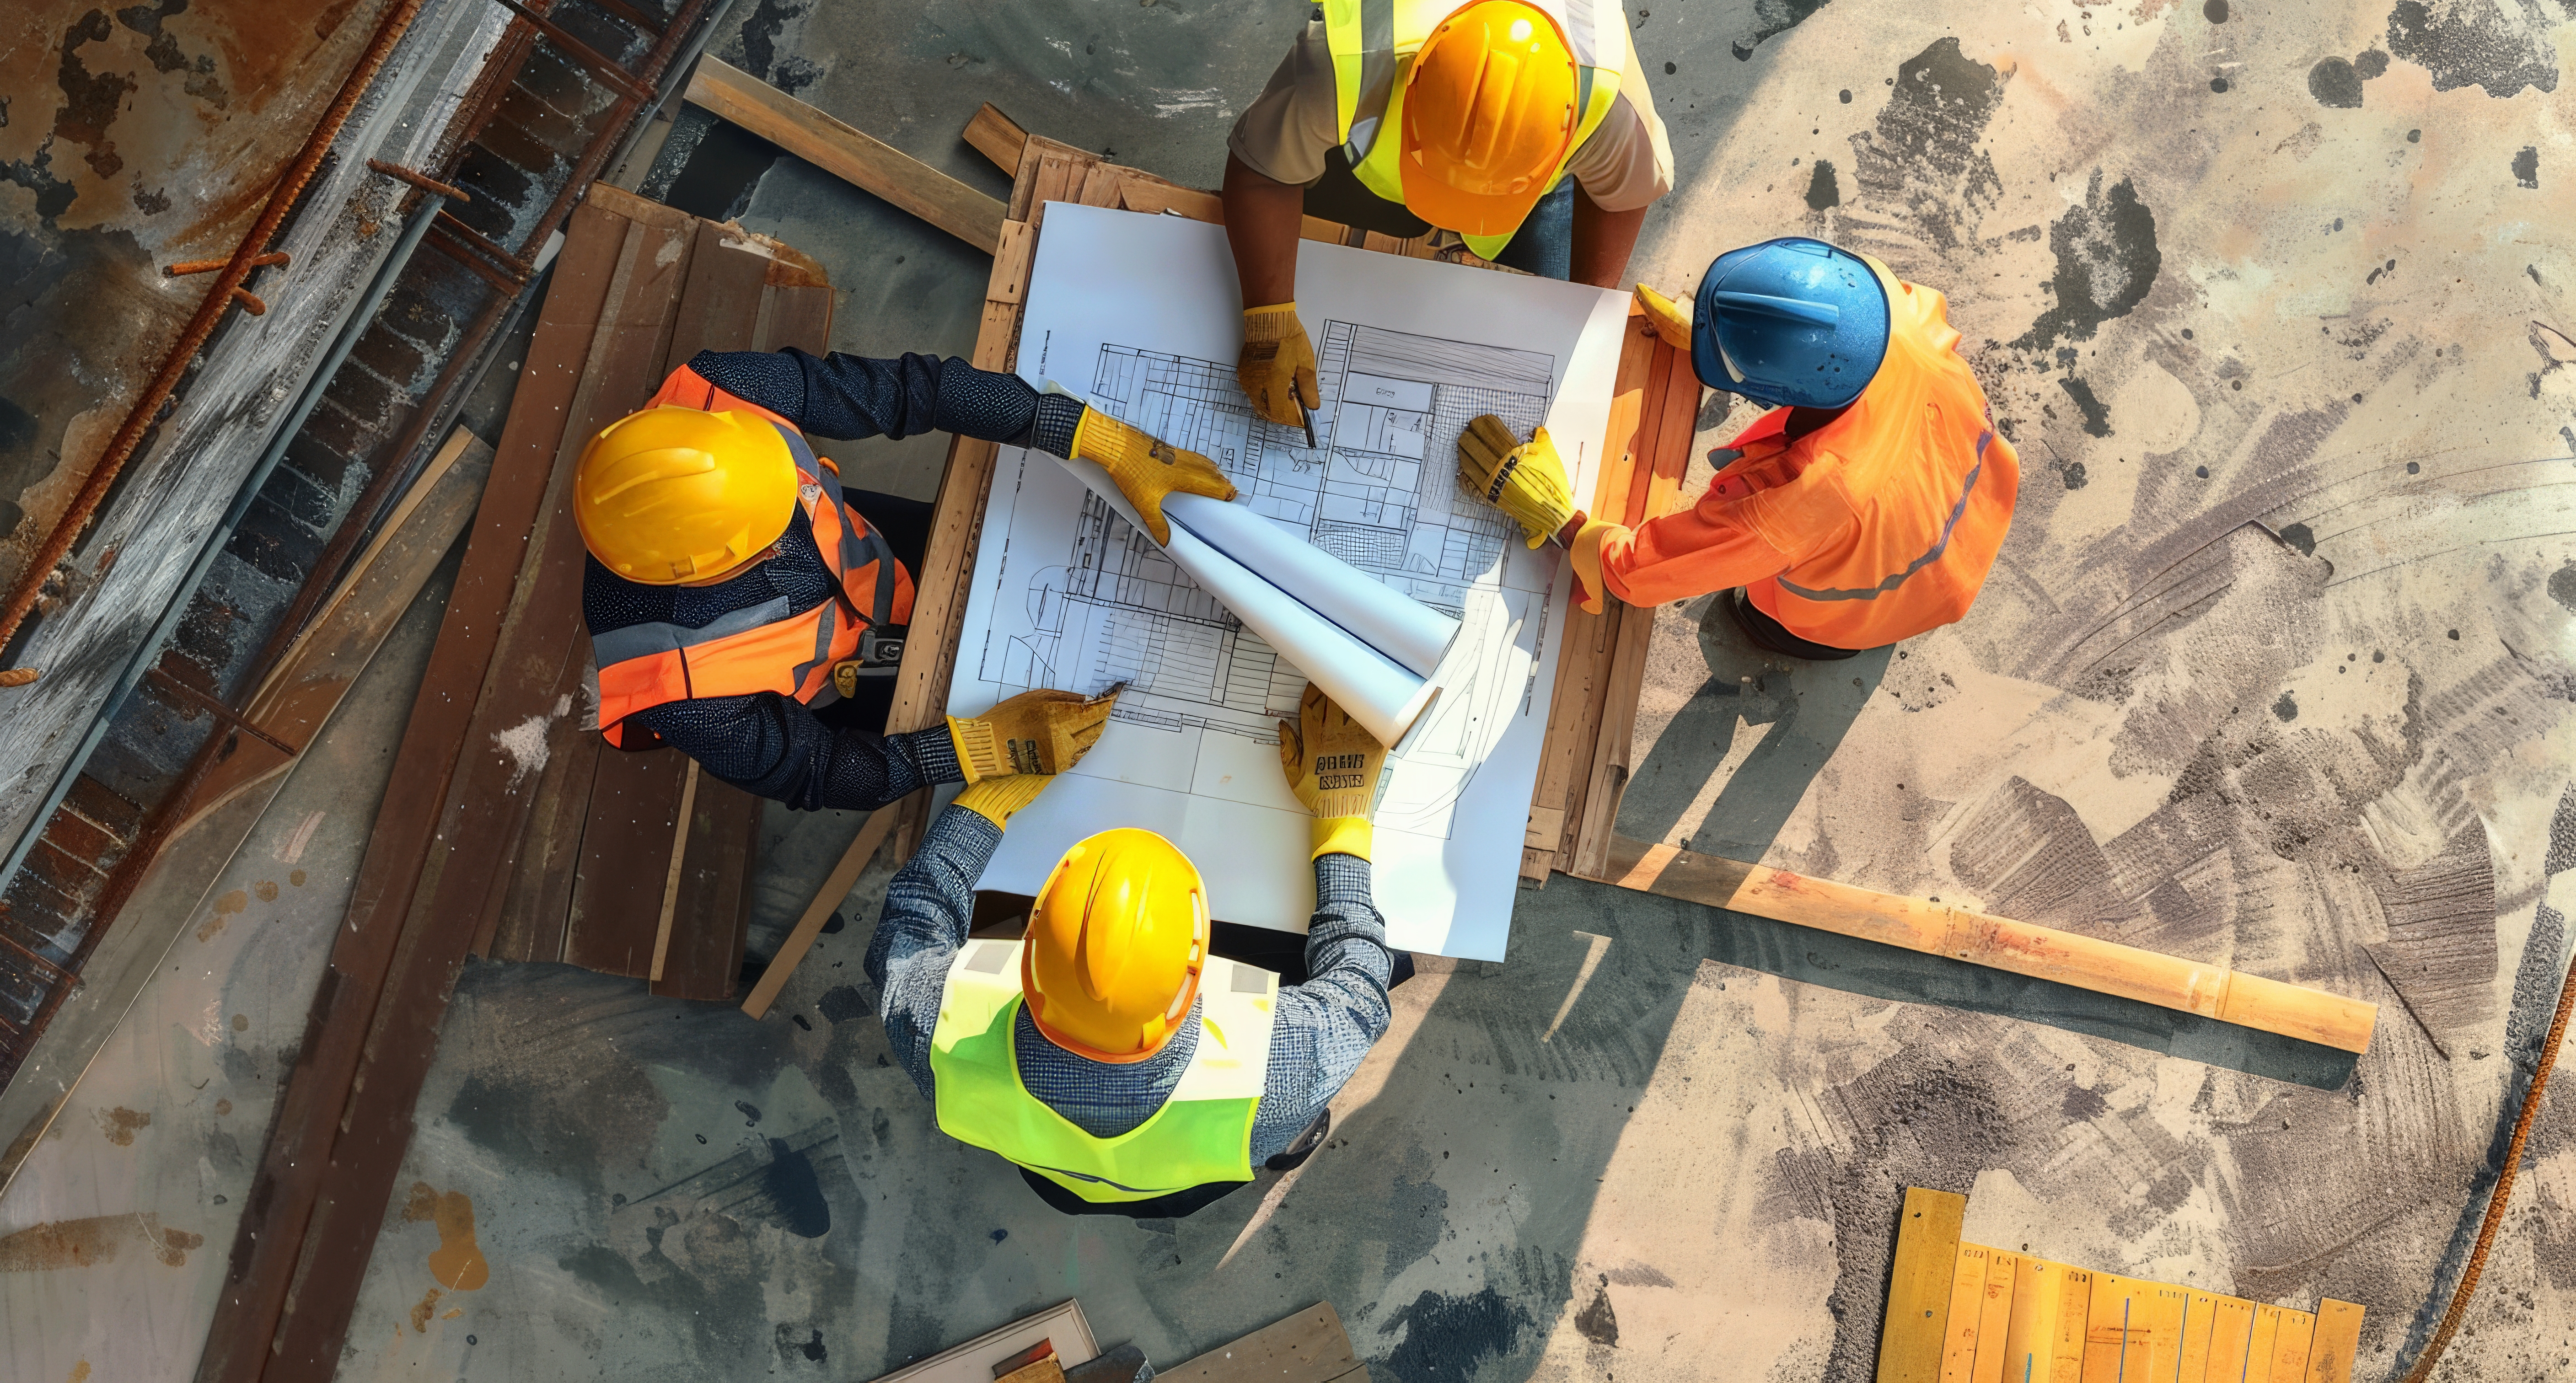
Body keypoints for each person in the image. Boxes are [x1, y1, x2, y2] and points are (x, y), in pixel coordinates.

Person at [570, 347, 1234, 809]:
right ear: (700, 575)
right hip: (859, 683)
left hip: (881, 551)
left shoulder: (723, 394)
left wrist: (1086, 435)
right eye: (771, 538)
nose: (787, 526)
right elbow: (818, 774)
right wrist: (967, 751)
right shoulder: (671, 684)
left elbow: (914, 391)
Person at [866, 684, 1400, 1217]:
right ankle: (1285, 1146)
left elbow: (909, 927)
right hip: (1190, 1179)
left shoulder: (939, 1036)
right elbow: (1359, 987)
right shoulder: (1280, 1070)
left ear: (1031, 946)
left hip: (1053, 1175)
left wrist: (987, 802)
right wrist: (1342, 822)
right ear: (1199, 971)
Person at [1458, 238, 2019, 659]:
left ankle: (1802, 639)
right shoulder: (1884, 305)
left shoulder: (1793, 508)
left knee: (1763, 620)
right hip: (1978, 501)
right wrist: (1727, 330)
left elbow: (1640, 574)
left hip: (1890, 599)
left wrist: (1566, 522)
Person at [1223, 0, 1674, 432]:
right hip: (1370, 159)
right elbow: (1263, 170)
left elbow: (1622, 197)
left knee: (1544, 333)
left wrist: (1586, 312)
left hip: (1538, 196)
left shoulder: (1611, 109)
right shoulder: (1343, 68)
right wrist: (1268, 318)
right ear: (1409, 88)